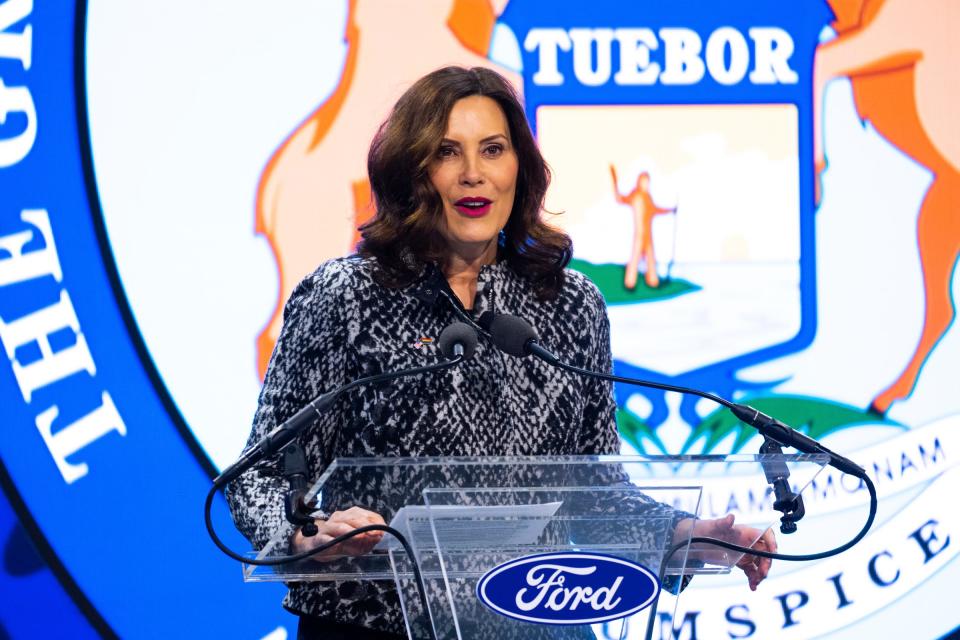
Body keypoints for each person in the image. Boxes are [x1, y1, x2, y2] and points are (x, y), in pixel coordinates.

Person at [227, 66, 775, 640]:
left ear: (520, 168)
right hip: (377, 625)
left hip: (541, 619)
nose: (473, 175)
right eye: (447, 152)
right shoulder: (344, 297)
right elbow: (258, 477)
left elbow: (596, 496)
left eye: (493, 150)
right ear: (413, 171)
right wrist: (304, 533)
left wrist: (688, 536)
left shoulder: (570, 305)